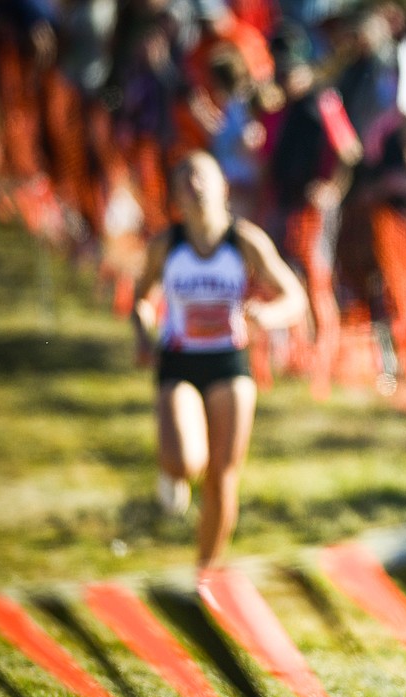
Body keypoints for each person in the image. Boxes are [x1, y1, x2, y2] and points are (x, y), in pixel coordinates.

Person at [131, 151, 307, 572]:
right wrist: (142, 330)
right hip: (179, 360)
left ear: (223, 187)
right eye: (186, 179)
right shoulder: (166, 245)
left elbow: (294, 296)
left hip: (229, 362)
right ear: (176, 196)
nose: (195, 184)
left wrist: (268, 315)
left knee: (223, 478)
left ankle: (205, 579)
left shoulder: (244, 241)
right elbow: (141, 297)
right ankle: (172, 471)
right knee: (185, 461)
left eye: (203, 176)